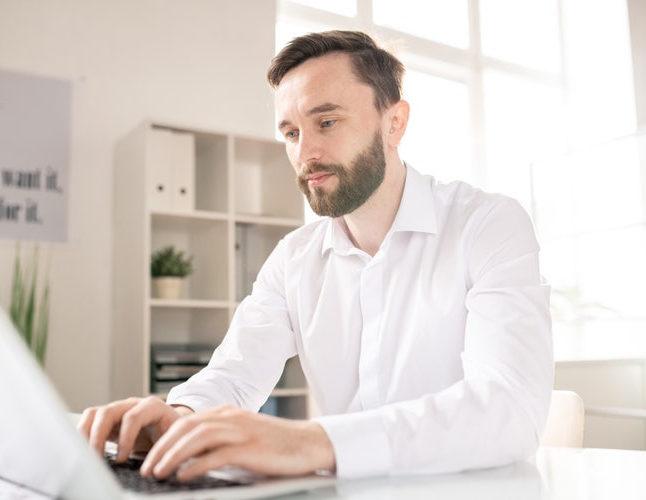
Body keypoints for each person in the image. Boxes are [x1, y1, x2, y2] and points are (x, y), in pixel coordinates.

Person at [79, 30, 553, 481]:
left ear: (395, 122)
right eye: (290, 133)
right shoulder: (294, 259)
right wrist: (178, 418)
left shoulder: (487, 225)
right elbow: (236, 375)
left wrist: (309, 442)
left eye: (326, 122)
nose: (306, 153)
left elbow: (509, 408)